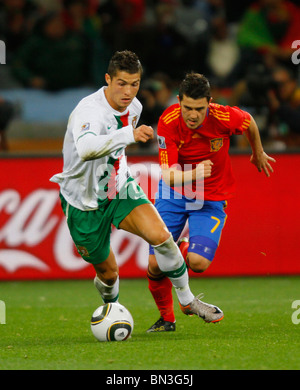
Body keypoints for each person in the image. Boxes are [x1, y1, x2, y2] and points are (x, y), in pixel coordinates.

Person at [50, 51, 223, 325]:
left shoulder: (135, 107)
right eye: (121, 83)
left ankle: (188, 301)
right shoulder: (89, 111)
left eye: (134, 83)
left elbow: (116, 150)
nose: (128, 91)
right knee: (108, 274)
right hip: (83, 201)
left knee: (162, 237)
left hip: (120, 189)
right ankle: (112, 309)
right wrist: (128, 134)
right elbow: (85, 149)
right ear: (108, 79)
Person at [147, 72, 275, 332]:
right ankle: (167, 320)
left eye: (199, 109)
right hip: (175, 193)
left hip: (212, 195)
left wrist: (257, 151)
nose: (192, 115)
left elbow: (249, 122)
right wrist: (194, 174)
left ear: (210, 103)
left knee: (198, 264)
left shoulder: (225, 116)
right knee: (155, 265)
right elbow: (168, 175)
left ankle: (179, 252)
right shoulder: (168, 121)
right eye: (187, 108)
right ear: (178, 100)